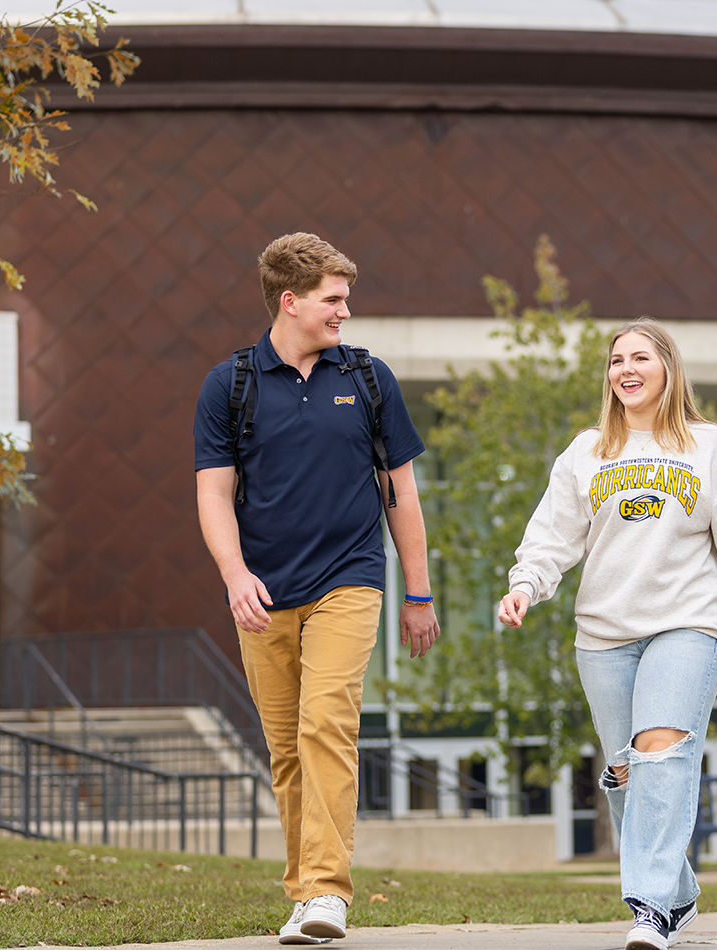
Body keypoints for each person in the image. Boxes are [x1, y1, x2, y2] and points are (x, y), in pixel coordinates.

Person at [496, 319, 717, 950]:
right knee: (631, 771)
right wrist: (526, 586)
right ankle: (678, 892)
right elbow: (553, 536)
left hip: (689, 622)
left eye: (639, 357)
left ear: (668, 369)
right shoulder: (586, 451)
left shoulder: (709, 447)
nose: (625, 369)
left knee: (661, 750)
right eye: (615, 360)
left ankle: (650, 908)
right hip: (604, 632)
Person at [194, 233, 440, 945]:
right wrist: (235, 574)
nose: (345, 312)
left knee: (325, 722)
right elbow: (214, 495)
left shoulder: (367, 378)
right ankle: (303, 894)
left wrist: (418, 595)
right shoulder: (230, 384)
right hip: (264, 592)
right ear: (290, 300)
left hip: (350, 579)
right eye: (334, 300)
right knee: (287, 747)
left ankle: (328, 892)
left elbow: (402, 495)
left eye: (346, 298)